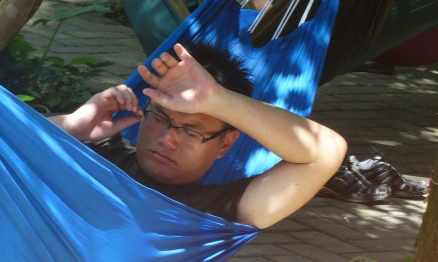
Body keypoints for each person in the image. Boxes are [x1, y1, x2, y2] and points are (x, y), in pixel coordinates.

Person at [50, 42, 347, 229]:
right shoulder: (96, 153)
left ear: (225, 144)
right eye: (160, 118)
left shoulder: (212, 212)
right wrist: (72, 127)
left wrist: (218, 101)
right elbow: (19, 152)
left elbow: (327, 152)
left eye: (192, 131)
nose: (168, 140)